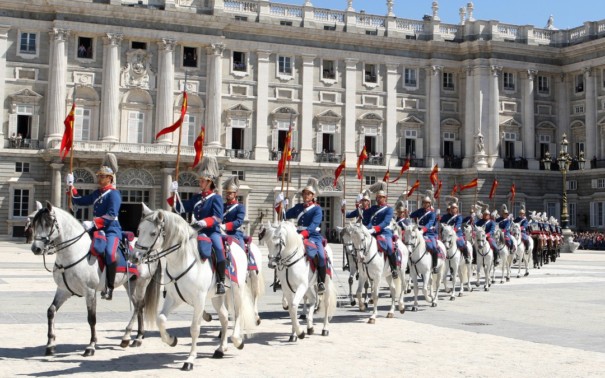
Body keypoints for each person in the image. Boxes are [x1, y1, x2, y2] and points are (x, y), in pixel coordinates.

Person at [67, 153, 122, 300]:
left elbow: (111, 215)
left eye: (102, 176)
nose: (99, 178)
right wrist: (72, 187)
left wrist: (94, 223)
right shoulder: (97, 193)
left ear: (110, 178)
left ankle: (109, 287)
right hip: (97, 229)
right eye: (99, 176)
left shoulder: (114, 194)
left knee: (110, 253)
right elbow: (80, 200)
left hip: (111, 229)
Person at [169, 156, 226, 295]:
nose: (199, 183)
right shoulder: (197, 198)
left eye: (202, 181)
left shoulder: (216, 198)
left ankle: (220, 281)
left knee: (219, 248)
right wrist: (173, 194)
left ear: (209, 182)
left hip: (212, 231)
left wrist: (205, 222)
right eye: (200, 180)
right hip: (196, 231)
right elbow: (181, 208)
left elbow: (218, 217)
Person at [276, 177, 327, 294]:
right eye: (304, 194)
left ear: (313, 196)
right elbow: (284, 216)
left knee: (321, 255)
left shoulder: (317, 209)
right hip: (297, 234)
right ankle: (279, 279)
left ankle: (321, 281)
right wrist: (281, 205)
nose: (306, 196)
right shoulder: (298, 207)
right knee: (281, 251)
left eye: (309, 194)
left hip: (313, 236)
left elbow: (313, 225)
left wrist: (303, 235)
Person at [364, 181, 398, 278]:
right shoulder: (373, 208)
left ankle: (394, 269)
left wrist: (375, 229)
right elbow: (365, 214)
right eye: (377, 197)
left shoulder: (389, 209)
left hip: (384, 232)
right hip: (372, 232)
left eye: (381, 197)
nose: (378, 199)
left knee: (390, 247)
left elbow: (386, 222)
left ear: (385, 198)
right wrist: (362, 202)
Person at [410, 191, 441, 273]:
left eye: (426, 203)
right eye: (423, 203)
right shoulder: (420, 210)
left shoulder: (432, 214)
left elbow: (430, 223)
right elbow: (412, 215)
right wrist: (407, 213)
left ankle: (434, 266)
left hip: (429, 233)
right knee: (410, 244)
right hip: (419, 231)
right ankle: (410, 264)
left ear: (429, 204)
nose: (424, 204)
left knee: (433, 247)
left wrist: (422, 231)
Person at [440, 196, 471, 263]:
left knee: (462, 244)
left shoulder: (459, 216)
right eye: (452, 208)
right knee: (439, 245)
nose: (453, 209)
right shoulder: (446, 216)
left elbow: (458, 225)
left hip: (457, 233)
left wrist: (452, 231)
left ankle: (466, 257)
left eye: (455, 208)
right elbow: (441, 221)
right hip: (446, 234)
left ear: (457, 209)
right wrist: (437, 215)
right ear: (450, 209)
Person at [221, 176, 246, 251]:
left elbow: (239, 221)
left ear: (235, 194)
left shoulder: (240, 207)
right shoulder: (222, 206)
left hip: (235, 233)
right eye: (226, 192)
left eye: (230, 193)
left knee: (242, 251)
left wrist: (226, 226)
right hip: (221, 232)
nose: (227, 194)